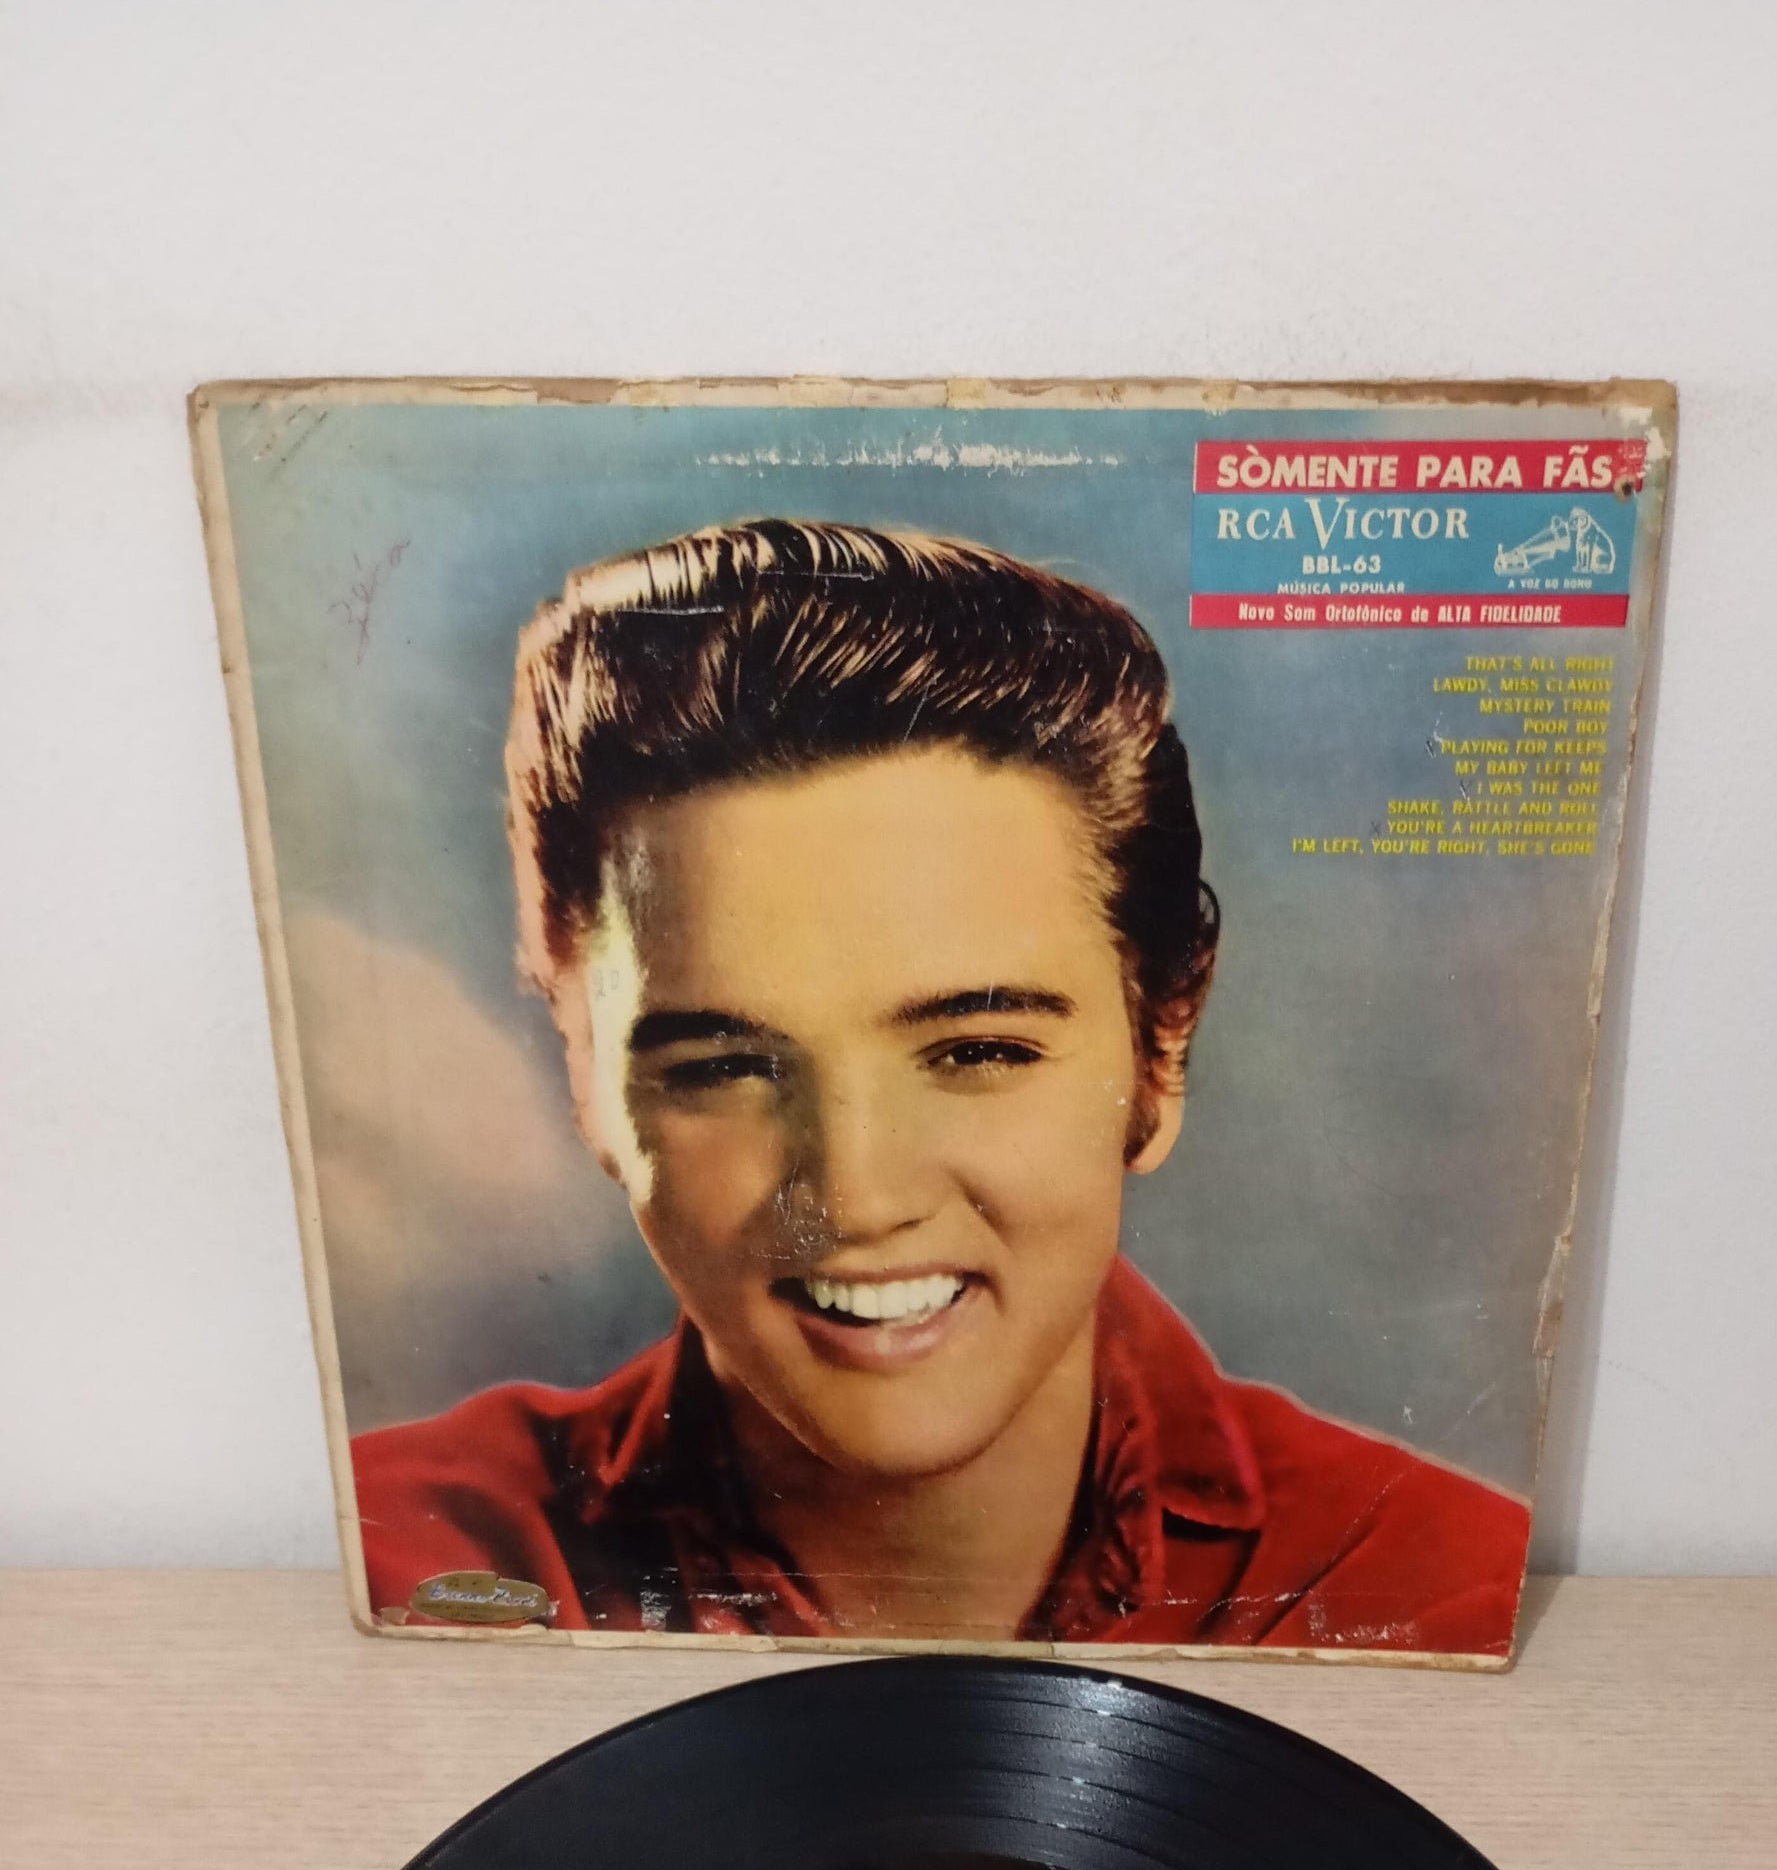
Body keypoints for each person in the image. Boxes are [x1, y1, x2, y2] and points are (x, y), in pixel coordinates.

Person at [353, 520, 1529, 1655]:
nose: (856, 1198)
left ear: (1159, 1047)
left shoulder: (1426, 1590)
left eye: (976, 1051)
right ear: (585, 1074)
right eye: (724, 1067)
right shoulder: (409, 1562)